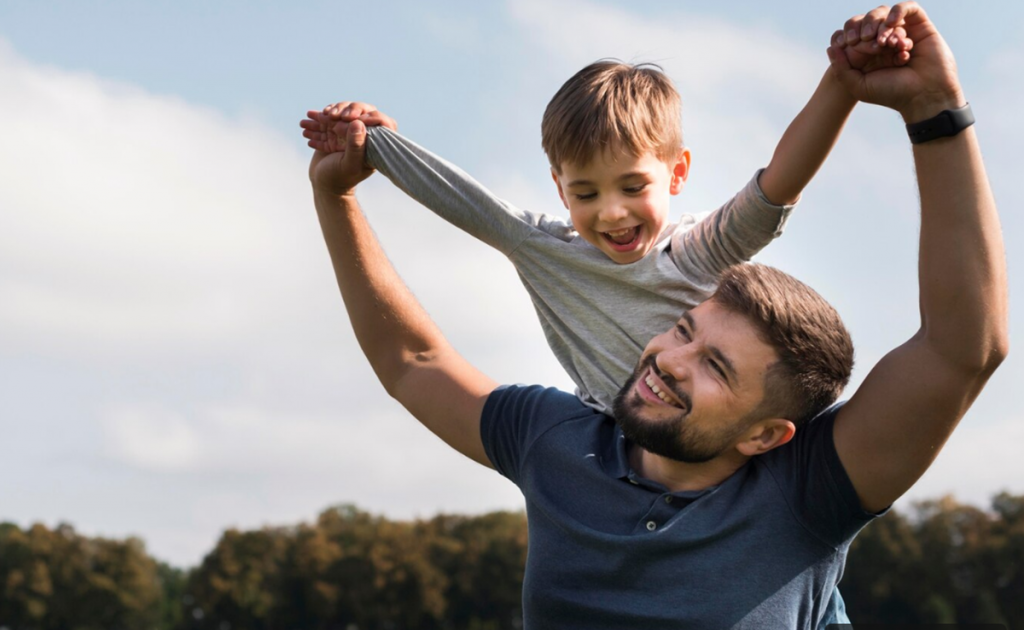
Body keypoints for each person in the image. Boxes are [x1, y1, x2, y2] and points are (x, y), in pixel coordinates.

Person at [308, 2, 1007, 627]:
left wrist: (935, 111)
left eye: (716, 368)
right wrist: (336, 199)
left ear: (768, 433)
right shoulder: (556, 444)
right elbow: (413, 362)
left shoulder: (809, 494)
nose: (669, 360)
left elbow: (960, 350)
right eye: (682, 330)